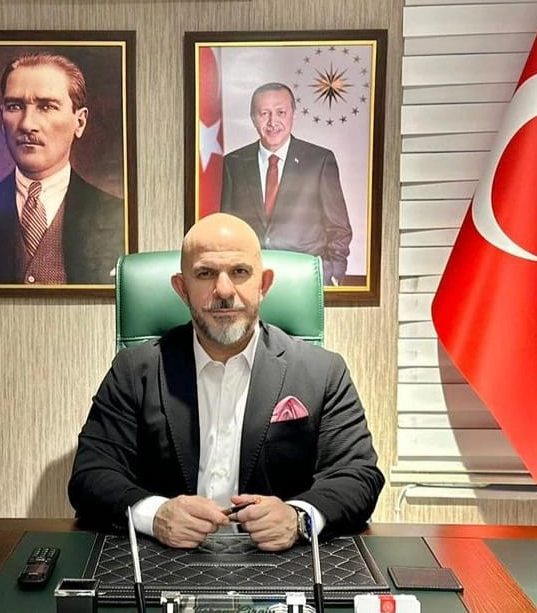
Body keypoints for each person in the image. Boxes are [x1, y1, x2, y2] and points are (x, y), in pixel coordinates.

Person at [68, 213, 383, 551]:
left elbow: (358, 476)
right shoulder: (134, 370)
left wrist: (297, 518)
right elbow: (91, 474)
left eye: (240, 272)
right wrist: (156, 514)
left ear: (264, 284)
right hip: (163, 558)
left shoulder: (323, 372)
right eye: (205, 273)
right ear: (182, 288)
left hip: (280, 561)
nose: (223, 290)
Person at [0, 52, 125, 285]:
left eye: (46, 107)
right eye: (15, 106)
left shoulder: (118, 214)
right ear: (1, 118)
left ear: (80, 122)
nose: (27, 124)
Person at [220, 83, 353, 285]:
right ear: (253, 118)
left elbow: (339, 228)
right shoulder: (233, 163)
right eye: (264, 113)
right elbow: (228, 227)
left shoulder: (319, 161)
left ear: (293, 115)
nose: (272, 122)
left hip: (304, 279)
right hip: (249, 281)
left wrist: (330, 274)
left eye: (280, 112)